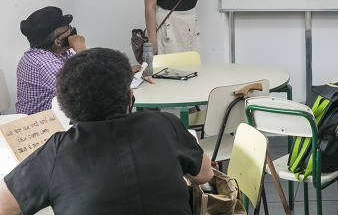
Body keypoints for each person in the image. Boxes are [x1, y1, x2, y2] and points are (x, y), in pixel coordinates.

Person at [0, 48, 213, 215]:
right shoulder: (164, 124)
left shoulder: (57, 152)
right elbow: (205, 174)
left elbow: (3, 206)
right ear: (130, 97)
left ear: (66, 108)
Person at [16, 6, 86, 115]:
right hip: (38, 125)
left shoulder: (60, 52)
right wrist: (82, 50)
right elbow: (84, 89)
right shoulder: (43, 62)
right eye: (69, 30)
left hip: (57, 118)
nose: (74, 36)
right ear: (58, 42)